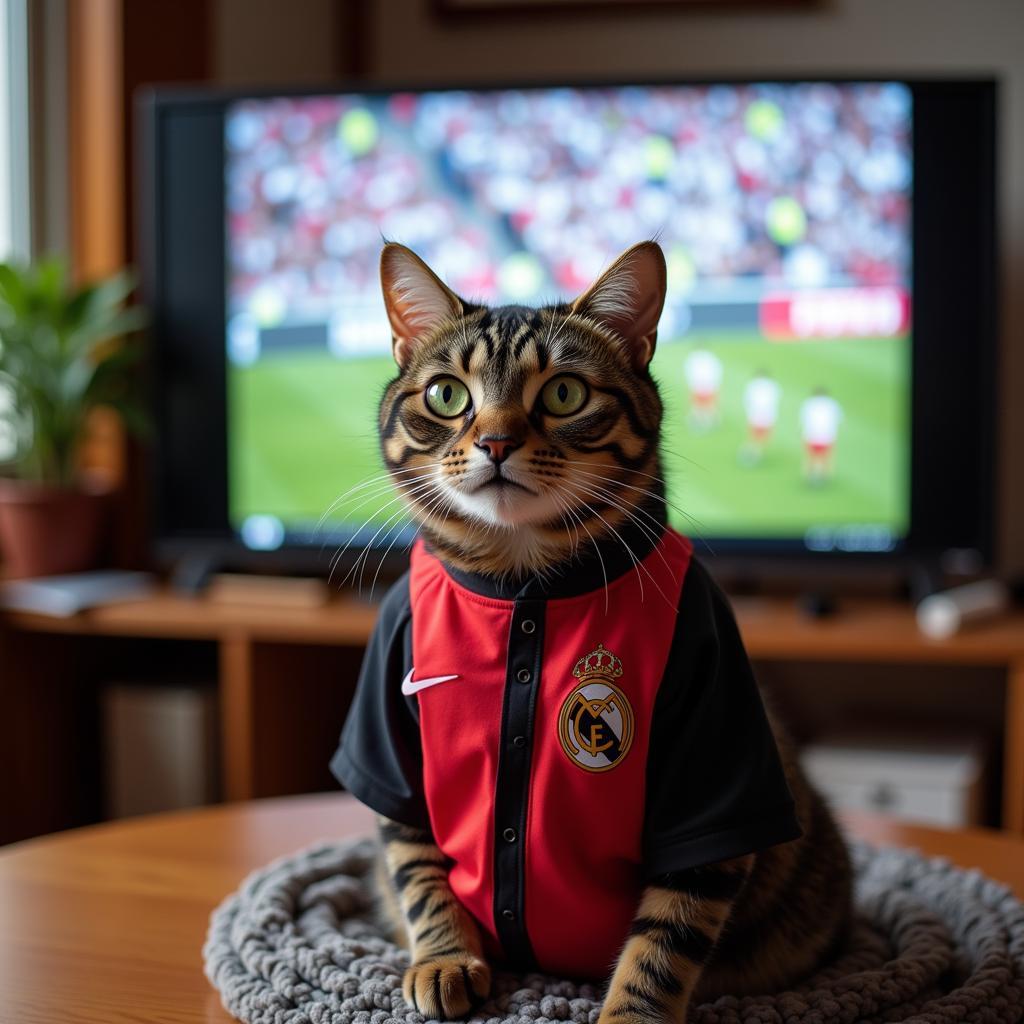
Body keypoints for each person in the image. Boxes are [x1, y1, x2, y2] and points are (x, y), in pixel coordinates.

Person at [800, 387, 842, 484]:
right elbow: (838, 419)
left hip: (811, 435)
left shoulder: (809, 404)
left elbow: (804, 419)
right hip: (827, 437)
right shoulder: (832, 404)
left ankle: (811, 476)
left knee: (811, 458)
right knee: (825, 458)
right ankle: (821, 476)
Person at [741, 369, 781, 464]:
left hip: (756, 414)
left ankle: (752, 452)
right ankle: (754, 453)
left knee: (755, 436)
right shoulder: (772, 386)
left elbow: (747, 399)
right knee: (761, 436)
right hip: (766, 415)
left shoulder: (753, 385)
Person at [684, 348, 723, 430]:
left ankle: (707, 420)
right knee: (705, 404)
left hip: (701, 384)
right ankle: (705, 420)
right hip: (707, 384)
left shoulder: (694, 358)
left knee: (702, 405)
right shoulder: (710, 358)